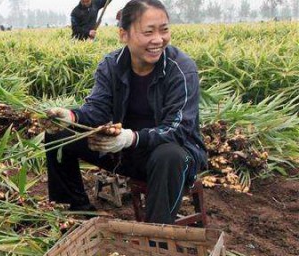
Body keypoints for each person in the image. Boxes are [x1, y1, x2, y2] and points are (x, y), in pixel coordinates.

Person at [46, 0, 207, 224]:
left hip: (172, 159)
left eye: (164, 30)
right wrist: (71, 116)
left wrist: (131, 137)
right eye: (148, 32)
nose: (158, 39)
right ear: (124, 34)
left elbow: (179, 129)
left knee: (169, 154)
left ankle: (157, 235)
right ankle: (77, 210)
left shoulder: (181, 68)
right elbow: (97, 110)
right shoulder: (111, 65)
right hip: (124, 153)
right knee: (59, 134)